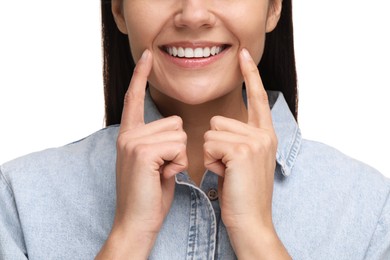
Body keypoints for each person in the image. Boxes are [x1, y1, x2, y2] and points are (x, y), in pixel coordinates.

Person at [0, 0, 389, 259]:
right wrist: (129, 236)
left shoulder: (370, 208)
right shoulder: (20, 197)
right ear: (118, 9)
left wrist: (257, 235)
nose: (193, 14)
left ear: (274, 7)